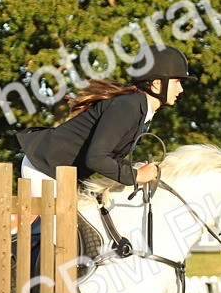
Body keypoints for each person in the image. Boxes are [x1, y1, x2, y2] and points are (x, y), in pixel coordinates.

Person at [15, 44, 195, 195]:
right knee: (61, 225)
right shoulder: (128, 107)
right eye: (177, 82)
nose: (181, 89)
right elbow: (96, 158)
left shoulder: (141, 111)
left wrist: (138, 169)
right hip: (44, 166)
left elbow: (111, 158)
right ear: (157, 83)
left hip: (65, 172)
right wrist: (136, 175)